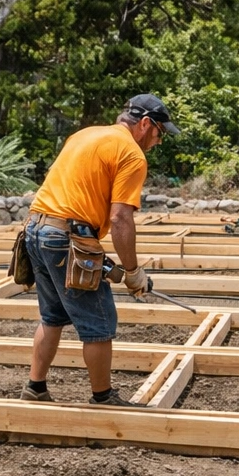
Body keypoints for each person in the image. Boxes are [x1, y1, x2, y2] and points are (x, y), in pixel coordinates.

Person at [19, 93, 179, 406]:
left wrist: (90, 247)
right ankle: (103, 398)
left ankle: (35, 388)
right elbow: (120, 219)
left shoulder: (86, 134)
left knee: (52, 317)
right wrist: (133, 272)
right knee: (99, 322)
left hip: (36, 230)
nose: (159, 141)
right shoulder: (131, 154)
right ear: (145, 124)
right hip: (65, 237)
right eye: (160, 133)